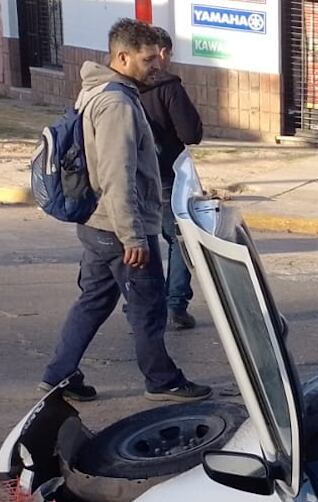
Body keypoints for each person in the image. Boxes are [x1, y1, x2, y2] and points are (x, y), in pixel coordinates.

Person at [38, 19, 210, 403]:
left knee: (93, 301)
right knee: (148, 307)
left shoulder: (98, 90)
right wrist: (133, 236)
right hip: (118, 228)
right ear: (122, 56)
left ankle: (58, 374)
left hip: (98, 223)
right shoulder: (116, 103)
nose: (156, 66)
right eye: (148, 59)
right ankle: (162, 380)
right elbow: (118, 175)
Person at [139, 26, 203, 331]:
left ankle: (141, 303)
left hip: (130, 175)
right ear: (162, 53)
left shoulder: (118, 87)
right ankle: (175, 302)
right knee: (181, 238)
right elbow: (191, 133)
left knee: (142, 239)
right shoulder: (168, 87)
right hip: (165, 173)